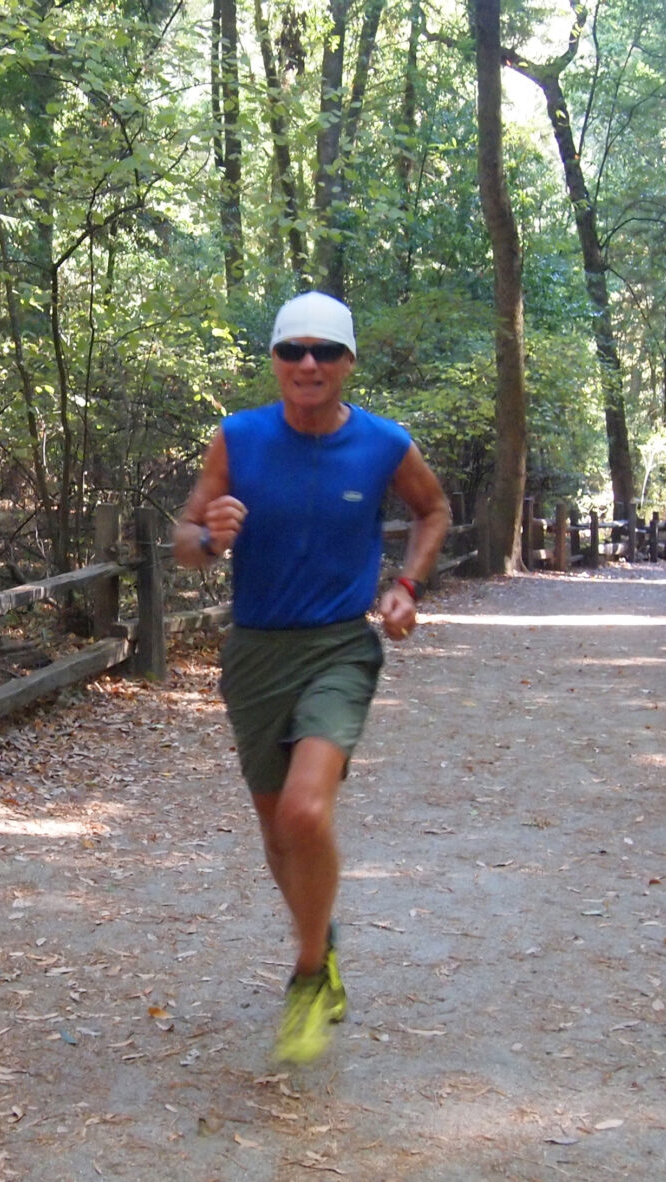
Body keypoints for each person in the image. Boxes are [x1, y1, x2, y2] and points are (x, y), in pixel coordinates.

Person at [174, 292, 449, 1064]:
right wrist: (208, 536)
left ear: (348, 363)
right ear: (273, 361)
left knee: (303, 811)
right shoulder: (238, 438)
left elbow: (433, 512)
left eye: (324, 352)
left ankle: (304, 977)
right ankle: (322, 944)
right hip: (256, 652)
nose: (307, 364)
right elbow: (185, 540)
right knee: (276, 833)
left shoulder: (385, 444)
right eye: (292, 350)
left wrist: (408, 585)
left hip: (338, 647)